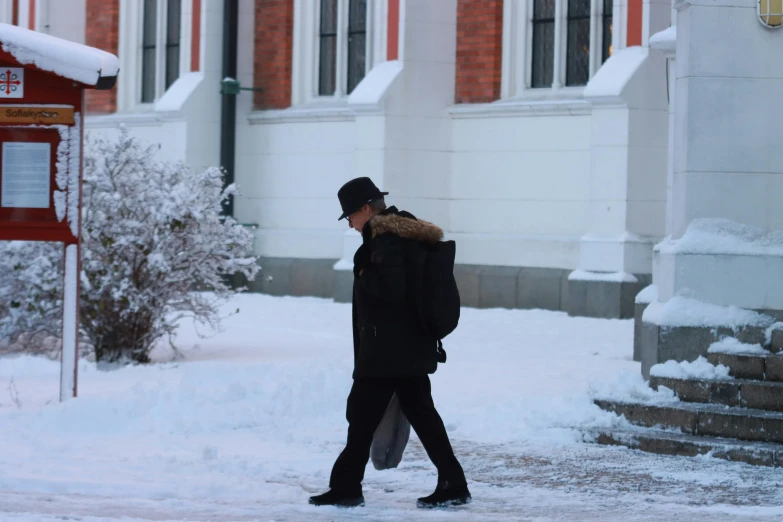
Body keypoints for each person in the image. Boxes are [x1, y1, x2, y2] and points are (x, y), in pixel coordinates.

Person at [308, 177, 470, 509]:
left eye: (350, 216)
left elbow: (392, 291)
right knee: (418, 415)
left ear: (366, 208)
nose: (351, 224)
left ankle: (347, 487)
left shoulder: (385, 241)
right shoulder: (401, 235)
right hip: (405, 349)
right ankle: (453, 483)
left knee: (363, 415)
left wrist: (364, 274)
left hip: (388, 352)